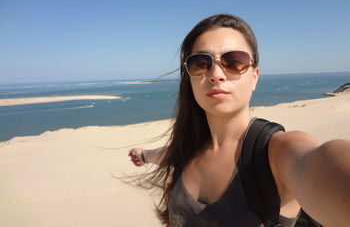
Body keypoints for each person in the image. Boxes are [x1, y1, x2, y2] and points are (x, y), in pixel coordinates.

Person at [128, 14, 350, 227]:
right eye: (200, 63)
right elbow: (170, 154)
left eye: (234, 61)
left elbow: (321, 163)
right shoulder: (189, 147)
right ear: (190, 80)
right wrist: (144, 155)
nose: (216, 73)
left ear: (254, 77)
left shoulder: (276, 151)